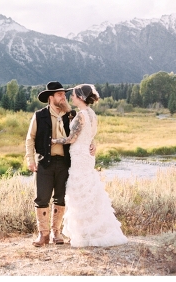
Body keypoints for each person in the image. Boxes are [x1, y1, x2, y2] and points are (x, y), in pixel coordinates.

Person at [51, 84, 128, 247]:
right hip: (87, 154)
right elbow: (90, 134)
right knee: (89, 188)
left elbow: (71, 139)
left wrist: (53, 140)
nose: (71, 98)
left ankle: (84, 232)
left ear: (80, 97)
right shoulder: (92, 114)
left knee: (78, 190)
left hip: (79, 154)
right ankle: (93, 230)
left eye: (73, 95)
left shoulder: (81, 116)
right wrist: (92, 143)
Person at [24, 81, 95, 247]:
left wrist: (92, 143)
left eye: (64, 94)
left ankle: (56, 232)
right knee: (42, 198)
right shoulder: (39, 115)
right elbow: (30, 138)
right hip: (44, 162)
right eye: (60, 95)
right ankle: (43, 234)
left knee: (60, 197)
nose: (64, 97)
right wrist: (30, 159)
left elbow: (84, 133)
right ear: (51, 98)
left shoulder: (71, 115)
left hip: (65, 162)